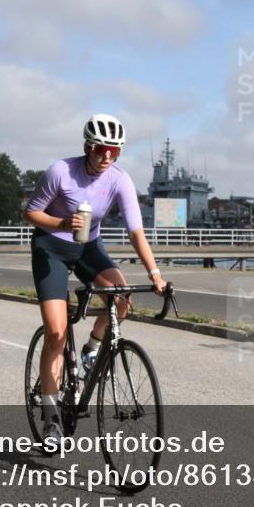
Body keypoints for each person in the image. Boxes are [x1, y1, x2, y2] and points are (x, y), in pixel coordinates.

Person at [22, 114, 166, 445]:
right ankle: (51, 417)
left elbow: (135, 232)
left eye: (115, 152)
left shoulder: (119, 179)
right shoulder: (61, 171)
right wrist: (61, 224)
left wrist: (155, 275)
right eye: (102, 149)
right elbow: (29, 212)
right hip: (51, 248)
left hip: (88, 248)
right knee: (57, 333)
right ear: (88, 146)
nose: (107, 157)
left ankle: (91, 348)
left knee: (122, 300)